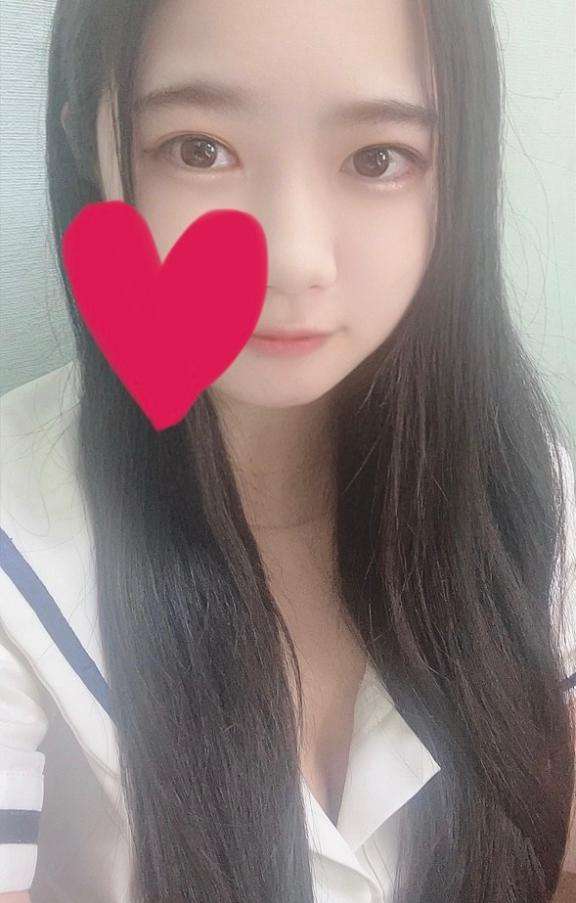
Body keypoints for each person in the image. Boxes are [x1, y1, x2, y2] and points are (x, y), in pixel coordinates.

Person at [1, 1, 575, 901]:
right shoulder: (19, 528)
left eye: (377, 158)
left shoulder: (522, 480)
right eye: (198, 149)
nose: (294, 259)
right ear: (92, 147)